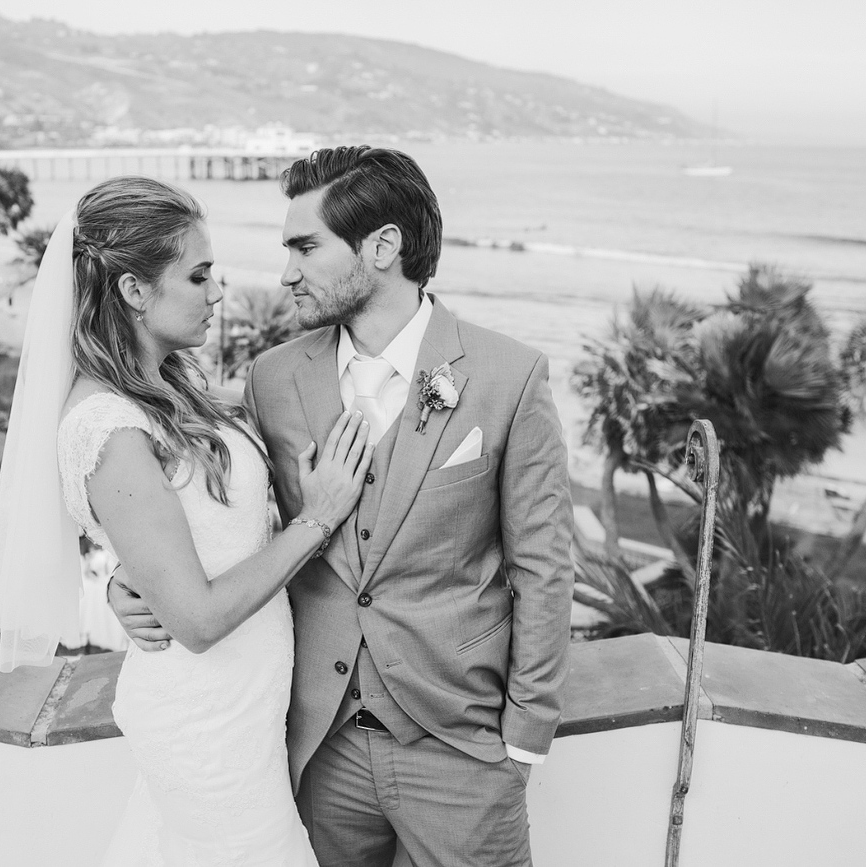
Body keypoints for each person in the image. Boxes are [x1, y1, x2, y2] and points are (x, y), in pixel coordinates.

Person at [112, 146, 575, 866]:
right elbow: (222, 510)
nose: (286, 271)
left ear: (382, 246)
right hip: (316, 745)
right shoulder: (272, 377)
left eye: (305, 245)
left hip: (458, 749)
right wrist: (128, 581)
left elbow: (543, 566)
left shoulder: (508, 377)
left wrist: (521, 740)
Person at [0, 176, 377, 866]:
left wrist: (121, 578)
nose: (217, 293)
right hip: (204, 725)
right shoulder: (107, 425)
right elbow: (194, 619)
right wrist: (316, 519)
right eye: (198, 275)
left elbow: (174, 534)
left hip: (247, 711)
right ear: (135, 290)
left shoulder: (167, 384)